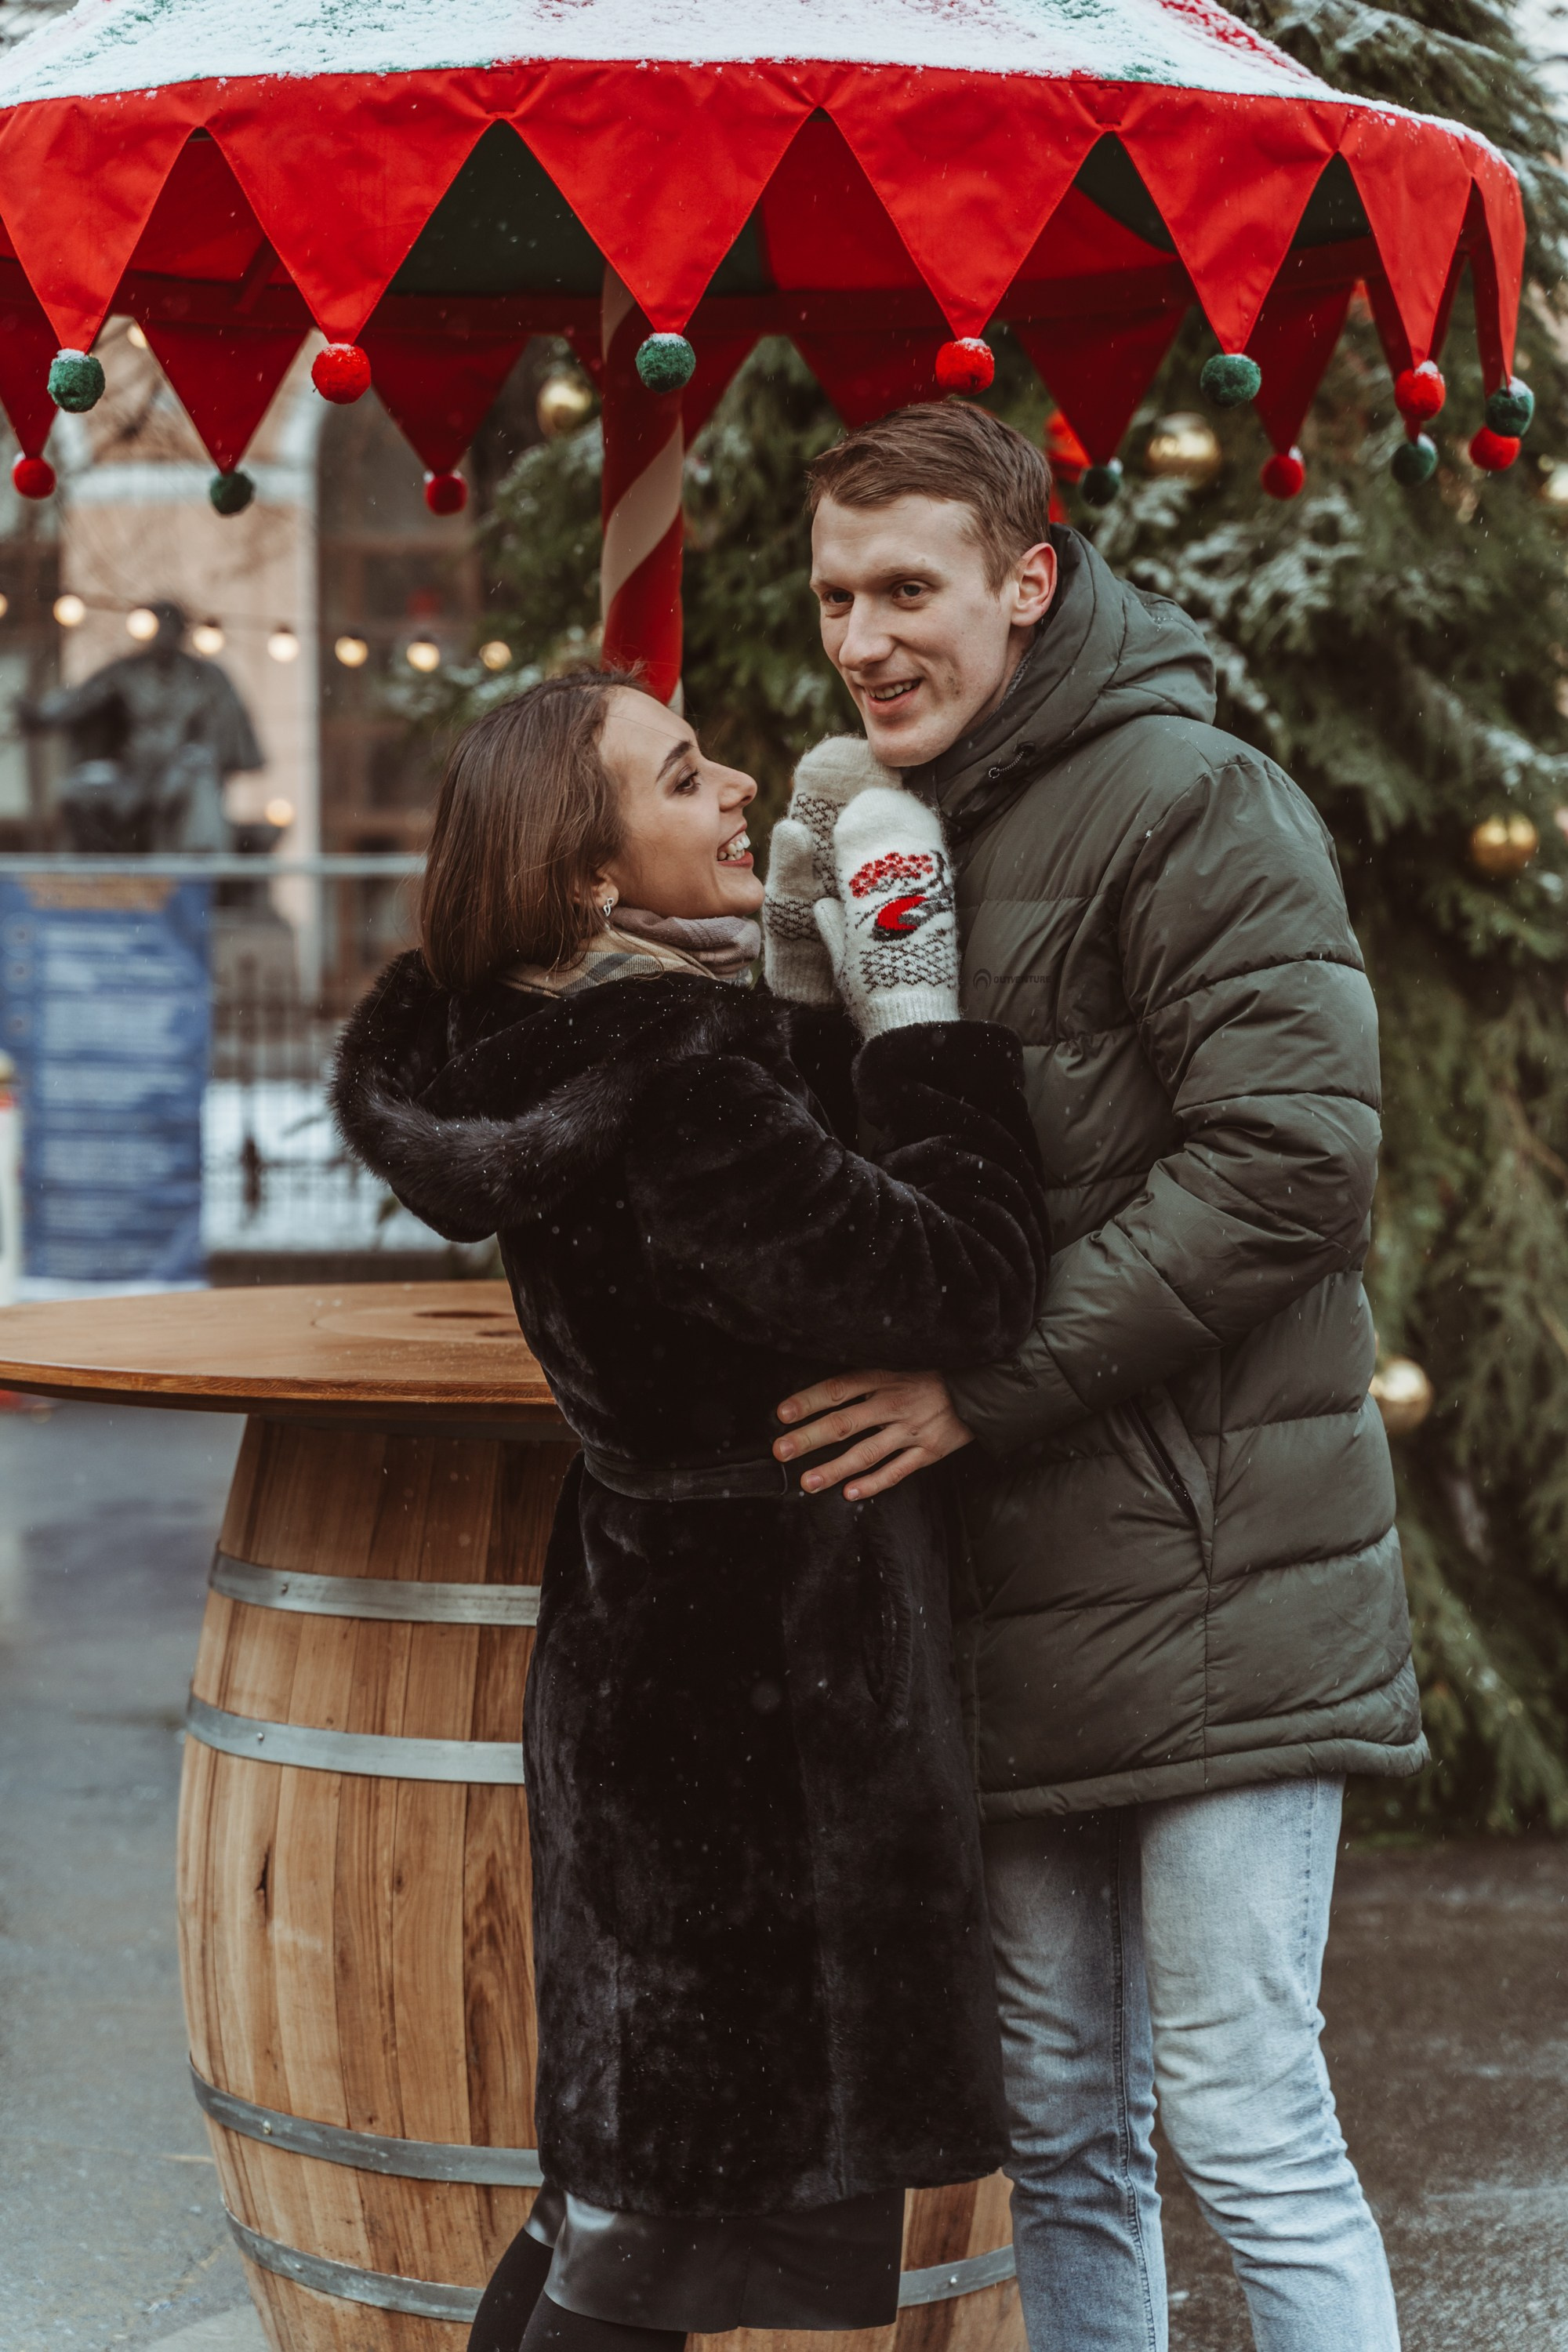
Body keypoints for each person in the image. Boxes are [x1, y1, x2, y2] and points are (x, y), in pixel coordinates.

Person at [763, 400, 1423, 2352]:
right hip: (1011, 1588)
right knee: (1057, 2128)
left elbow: (1293, 1163)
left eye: (909, 590)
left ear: (1026, 583)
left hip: (1218, 1567)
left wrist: (980, 1390)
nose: (865, 637)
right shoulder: (904, 834)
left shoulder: (1185, 796)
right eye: (831, 598)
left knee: (1243, 2109)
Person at [332, 670, 1047, 2352]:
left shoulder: (528, 1043)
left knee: (623, 2199)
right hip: (766, 1710)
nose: (737, 785)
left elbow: (764, 1179)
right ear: (590, 875)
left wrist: (799, 982)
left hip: (645, 1658)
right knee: (663, 2239)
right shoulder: (680, 1085)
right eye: (682, 776)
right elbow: (964, 1279)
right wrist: (927, 1024)